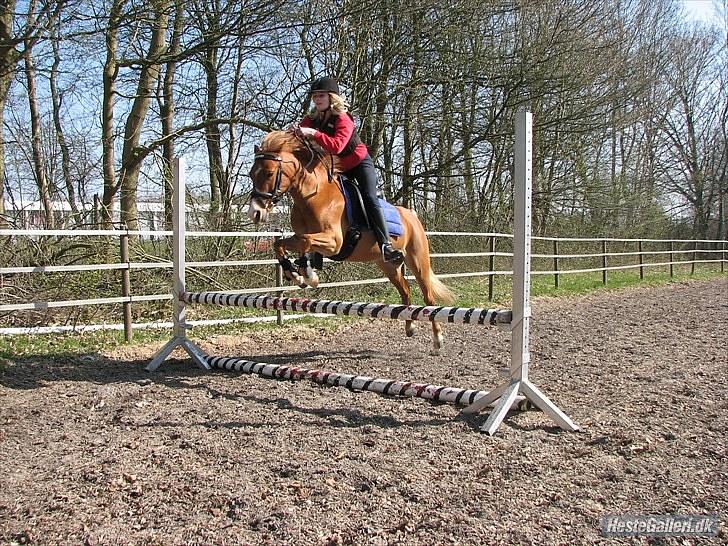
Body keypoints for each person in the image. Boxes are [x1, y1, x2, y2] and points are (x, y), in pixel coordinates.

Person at [290, 77, 405, 265]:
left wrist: (314, 134)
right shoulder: (312, 119)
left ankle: (386, 246)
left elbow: (337, 146)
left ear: (331, 98)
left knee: (369, 197)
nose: (317, 99)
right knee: (319, 198)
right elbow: (295, 137)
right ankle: (316, 252)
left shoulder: (343, 119)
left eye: (321, 96)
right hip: (337, 168)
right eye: (315, 96)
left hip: (359, 164)